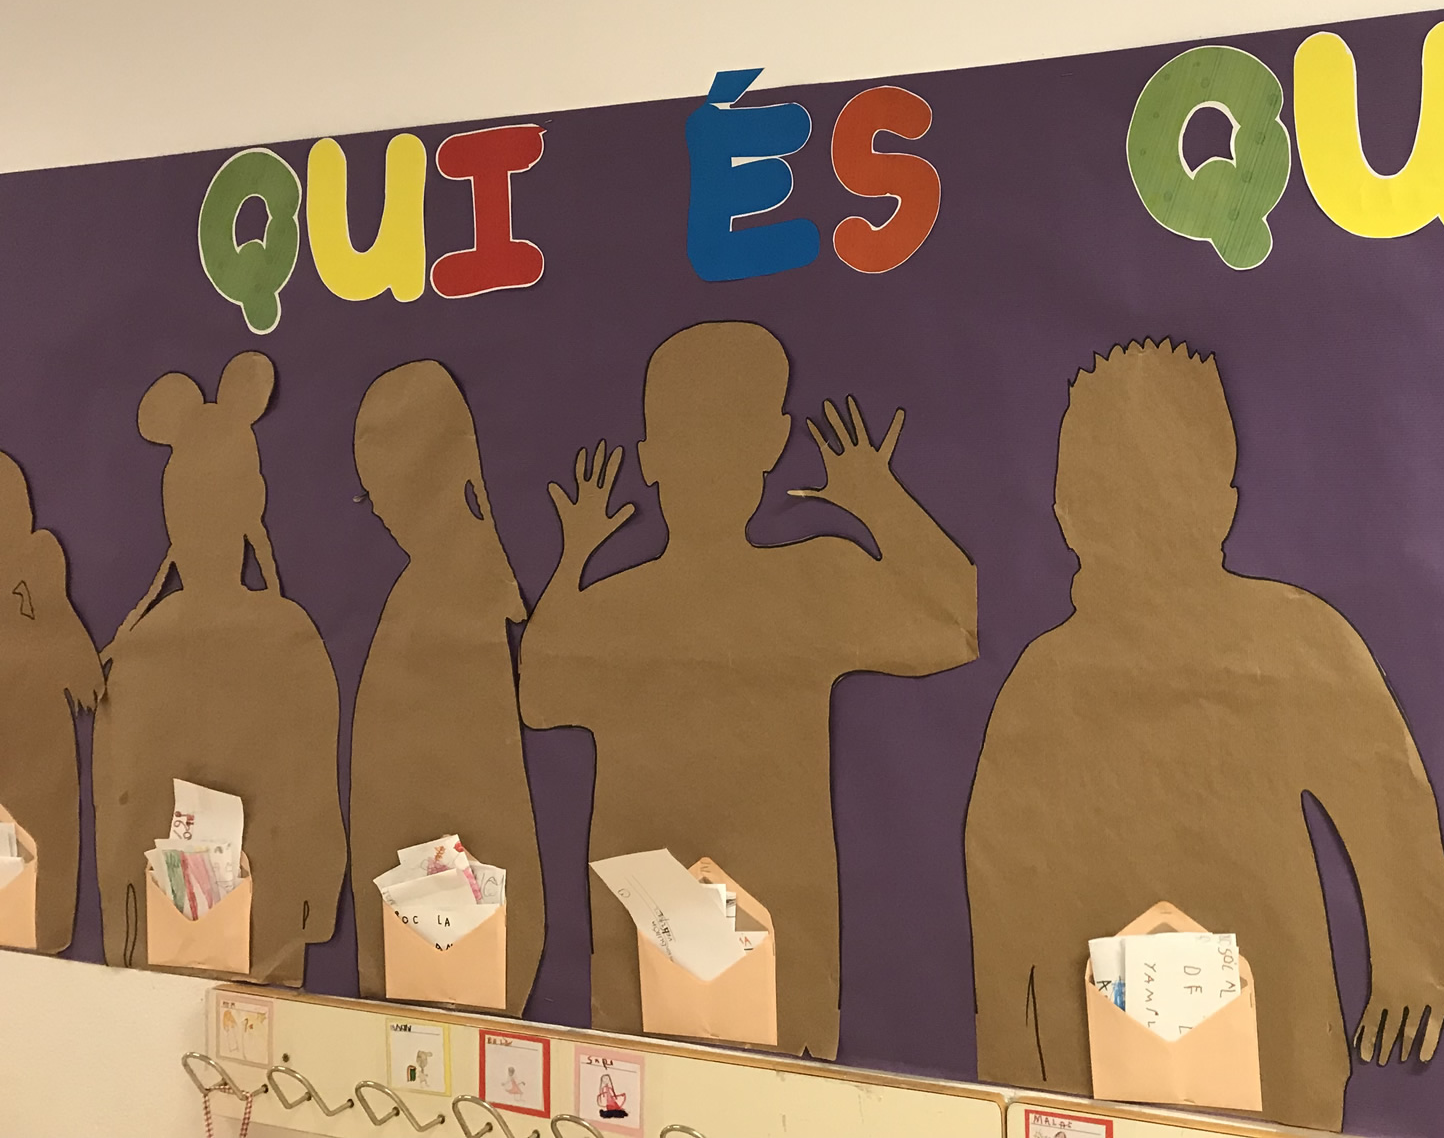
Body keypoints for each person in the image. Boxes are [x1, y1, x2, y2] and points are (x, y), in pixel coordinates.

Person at [965, 340, 1444, 1132]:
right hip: (1089, 1043)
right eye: (1113, 497)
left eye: (1166, 493)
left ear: (1222, 502)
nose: (1141, 524)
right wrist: (1013, 1075)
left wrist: (1412, 959)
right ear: (1067, 510)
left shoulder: (1292, 638)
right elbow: (1002, 895)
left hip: (1275, 1025)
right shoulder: (1045, 682)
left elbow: (1385, 798)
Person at [519, 320, 977, 1055]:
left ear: (648, 458)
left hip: (719, 931)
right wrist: (876, 495)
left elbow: (540, 691)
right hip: (713, 932)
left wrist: (574, 560)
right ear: (774, 444)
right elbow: (951, 618)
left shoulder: (623, 604)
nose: (706, 464)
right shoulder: (809, 579)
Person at [94, 352, 345, 984]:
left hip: (175, 946)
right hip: (265, 936)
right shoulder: (286, 633)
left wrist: (123, 928)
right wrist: (317, 901)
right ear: (250, 506)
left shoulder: (143, 647)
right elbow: (317, 788)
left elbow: (117, 818)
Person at [350, 360, 543, 1010]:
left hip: (466, 923)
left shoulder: (455, 592)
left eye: (384, 484)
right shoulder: (437, 592)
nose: (378, 506)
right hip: (418, 918)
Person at [0, 450, 101, 953]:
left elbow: (80, 669)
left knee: (43, 851)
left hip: (39, 735)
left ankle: (45, 933)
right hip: (38, 727)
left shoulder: (38, 562)